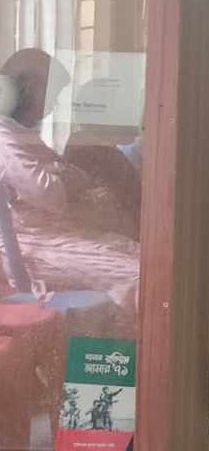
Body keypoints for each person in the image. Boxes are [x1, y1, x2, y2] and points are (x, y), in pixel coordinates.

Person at [0, 49, 139, 317]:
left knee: (146, 260)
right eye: (51, 94)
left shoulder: (18, 133)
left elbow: (73, 178)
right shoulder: (3, 137)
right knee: (140, 277)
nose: (53, 104)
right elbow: (49, 194)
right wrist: (63, 175)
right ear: (30, 88)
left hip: (63, 234)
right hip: (36, 245)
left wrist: (61, 173)